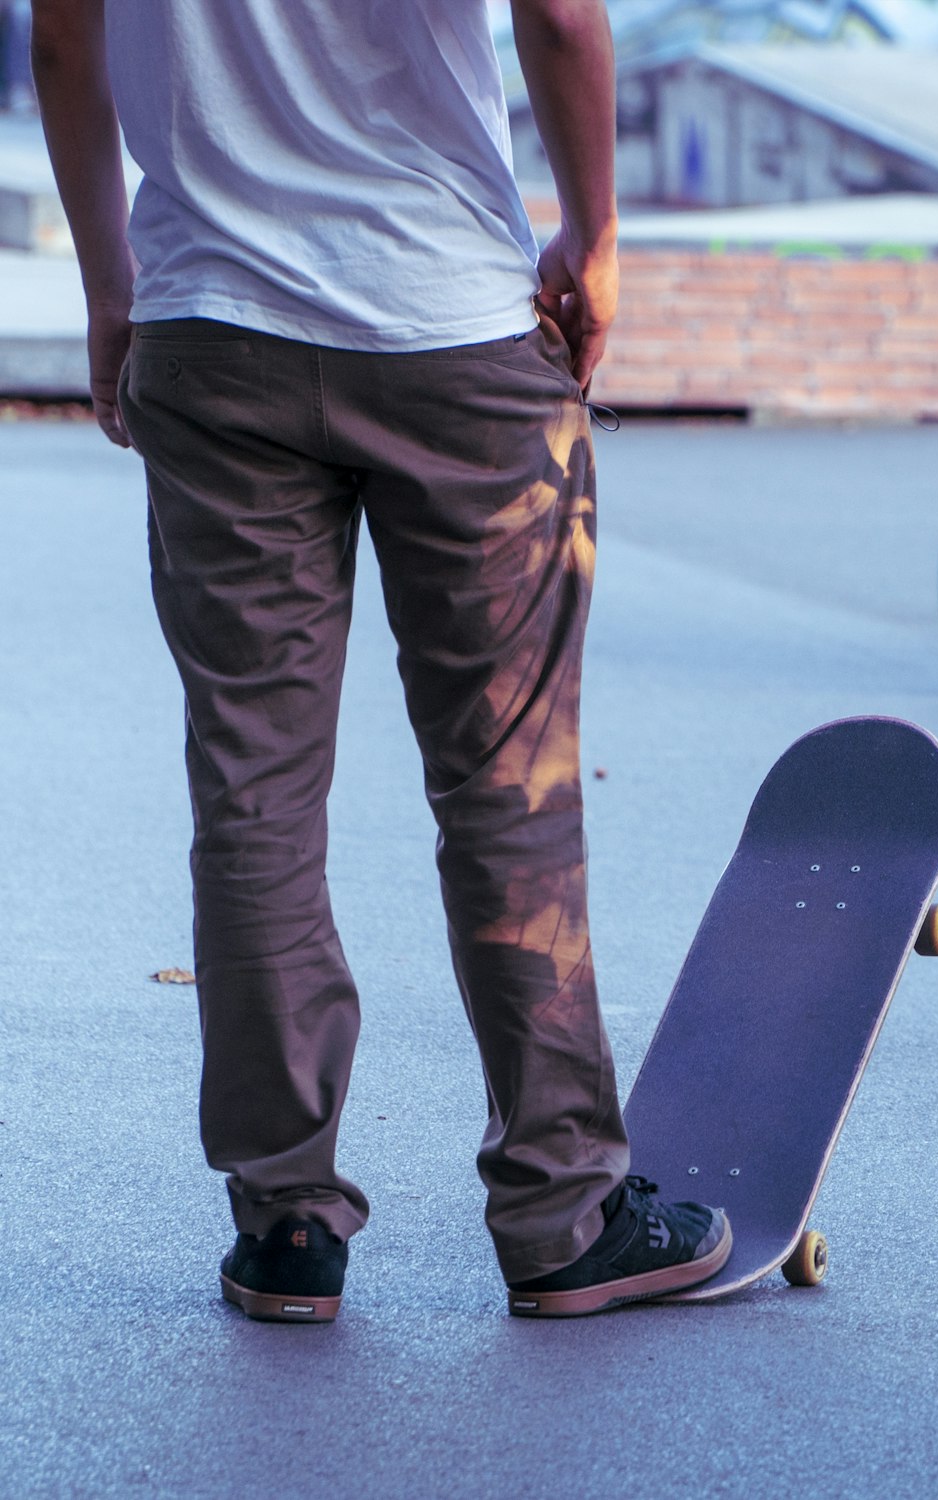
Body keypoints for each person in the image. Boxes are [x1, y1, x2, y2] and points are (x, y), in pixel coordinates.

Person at [30, 0, 732, 1321]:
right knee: (509, 785)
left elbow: (63, 39)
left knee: (254, 796)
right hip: (452, 329)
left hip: (213, 331)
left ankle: (286, 1218)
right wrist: (600, 237)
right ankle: (563, 1212)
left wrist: (110, 291)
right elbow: (565, 18)